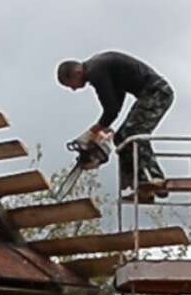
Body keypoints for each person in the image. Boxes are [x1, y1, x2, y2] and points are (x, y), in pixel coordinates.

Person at [56, 51, 173, 197]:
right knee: (120, 138)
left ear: (77, 72)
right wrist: (103, 130)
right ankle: (139, 185)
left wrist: (92, 132)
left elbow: (111, 110)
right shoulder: (100, 68)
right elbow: (115, 104)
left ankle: (156, 179)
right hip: (149, 94)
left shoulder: (95, 71)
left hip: (157, 93)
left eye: (70, 84)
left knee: (133, 135)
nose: (73, 89)